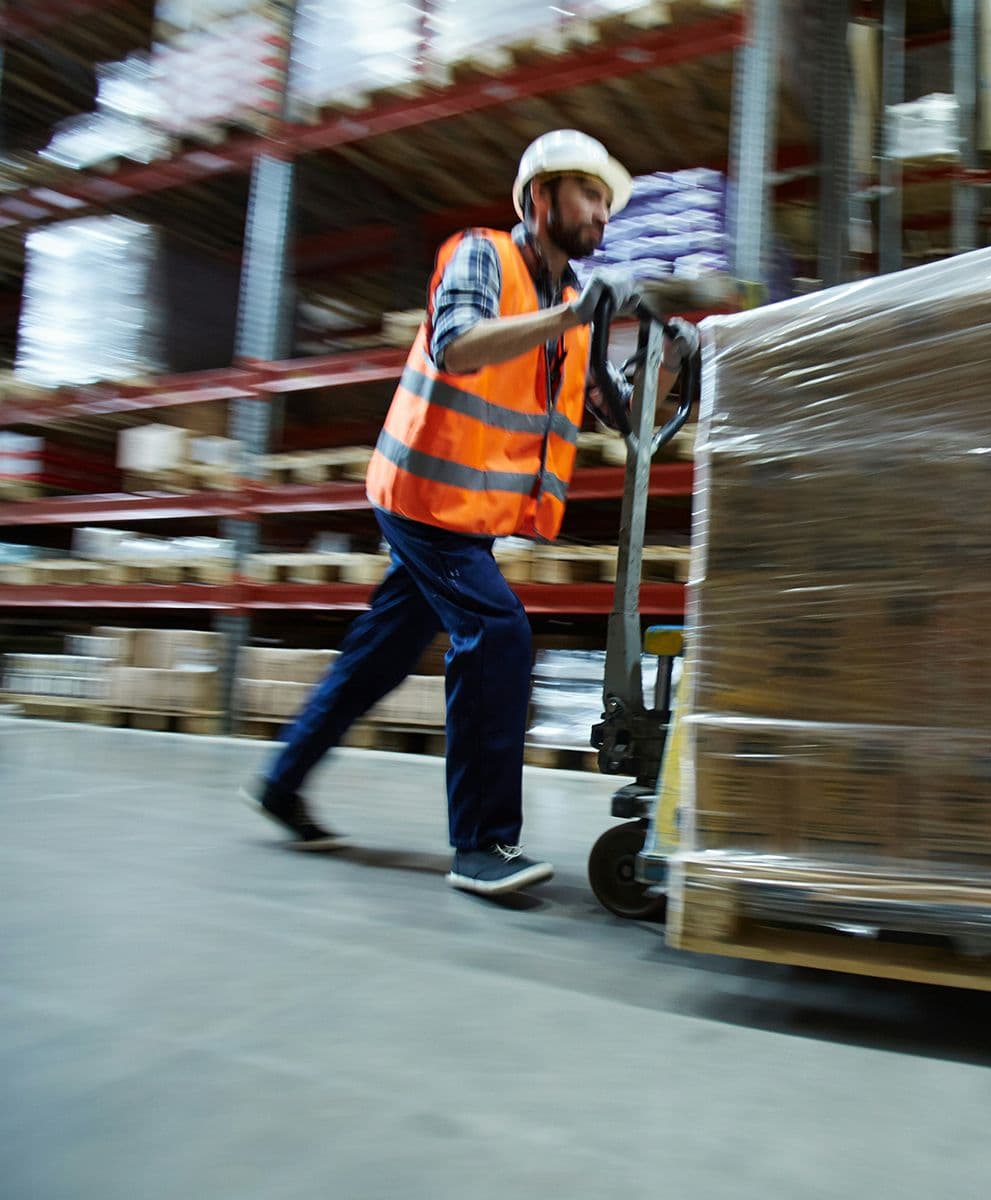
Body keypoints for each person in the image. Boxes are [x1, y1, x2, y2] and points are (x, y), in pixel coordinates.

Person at [240, 129, 700, 897]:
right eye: (585, 192)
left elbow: (619, 416)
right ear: (538, 197)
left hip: (468, 513)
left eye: (604, 199)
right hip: (423, 496)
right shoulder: (483, 255)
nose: (600, 211)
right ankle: (482, 845)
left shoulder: (568, 304)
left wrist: (667, 358)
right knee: (496, 635)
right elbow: (457, 346)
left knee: (378, 658)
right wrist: (575, 318)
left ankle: (280, 781)